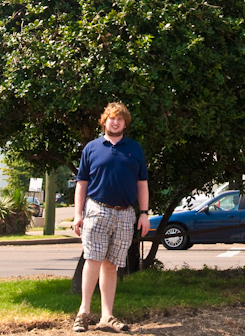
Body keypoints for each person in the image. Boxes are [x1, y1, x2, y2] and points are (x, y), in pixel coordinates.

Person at [72, 102, 150, 333]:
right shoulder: (92, 148)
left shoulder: (134, 149)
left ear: (125, 123)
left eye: (120, 119)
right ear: (104, 122)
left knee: (111, 266)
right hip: (97, 210)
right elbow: (81, 184)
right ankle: (83, 313)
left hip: (125, 214)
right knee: (93, 260)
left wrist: (144, 214)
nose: (115, 122)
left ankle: (107, 316)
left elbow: (142, 184)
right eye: (111, 119)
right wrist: (78, 214)